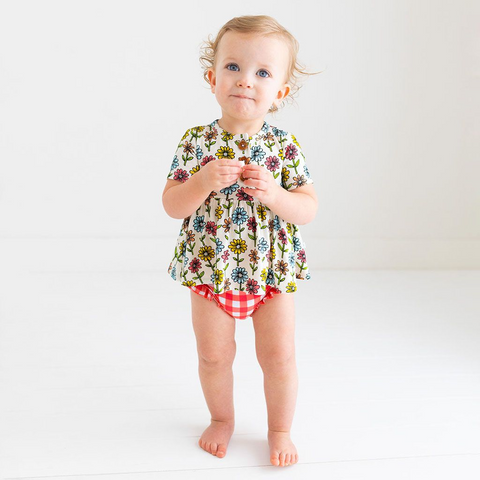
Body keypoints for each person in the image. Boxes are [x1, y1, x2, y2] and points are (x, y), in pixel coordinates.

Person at [162, 14, 319, 468]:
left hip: (270, 270)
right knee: (214, 355)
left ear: (280, 92)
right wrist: (204, 181)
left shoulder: (284, 146)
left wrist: (275, 194)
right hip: (210, 269)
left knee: (279, 356)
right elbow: (173, 204)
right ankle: (221, 418)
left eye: (263, 73)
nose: (245, 81)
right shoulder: (197, 142)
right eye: (233, 67)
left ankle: (279, 428)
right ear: (213, 78)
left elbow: (307, 208)